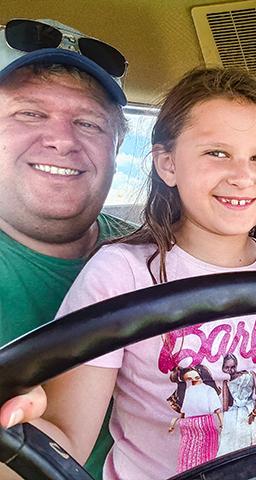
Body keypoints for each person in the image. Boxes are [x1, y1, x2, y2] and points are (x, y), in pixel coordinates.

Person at [0, 66, 256, 479]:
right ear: (167, 164)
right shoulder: (120, 273)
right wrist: (17, 434)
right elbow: (67, 437)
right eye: (217, 153)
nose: (242, 175)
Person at [0, 18, 131, 478]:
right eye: (30, 113)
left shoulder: (156, 253)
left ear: (117, 146)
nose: (62, 139)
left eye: (88, 122)